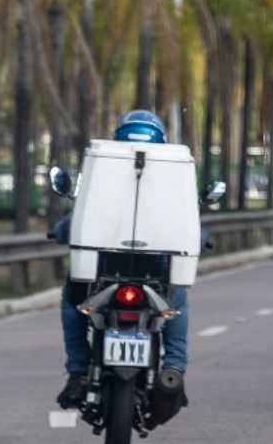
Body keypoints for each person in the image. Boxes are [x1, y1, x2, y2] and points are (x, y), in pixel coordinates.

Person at [55, 110, 191, 409]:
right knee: (177, 302)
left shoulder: (106, 171)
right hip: (155, 274)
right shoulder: (171, 177)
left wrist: (62, 229)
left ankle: (78, 371)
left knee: (72, 300)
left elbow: (82, 218)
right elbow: (185, 223)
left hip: (104, 272)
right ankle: (174, 369)